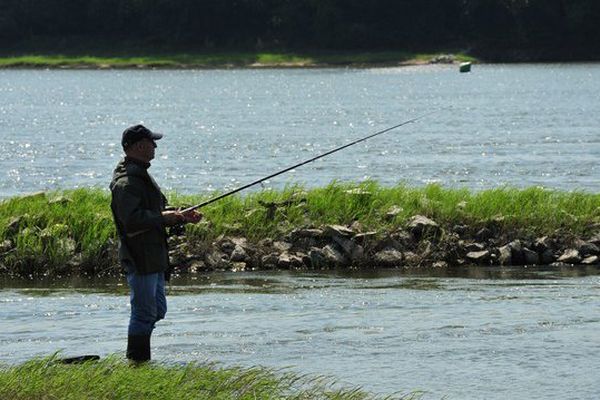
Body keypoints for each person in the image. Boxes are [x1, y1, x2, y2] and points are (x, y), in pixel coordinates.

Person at [109, 124, 201, 362]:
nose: (155, 146)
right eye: (152, 142)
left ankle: (138, 361)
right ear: (140, 146)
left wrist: (179, 215)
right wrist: (164, 217)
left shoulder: (140, 175)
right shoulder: (126, 182)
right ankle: (137, 363)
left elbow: (153, 213)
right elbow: (132, 221)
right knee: (143, 314)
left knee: (157, 310)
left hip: (154, 256)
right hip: (139, 257)